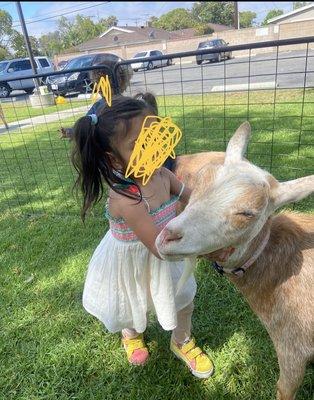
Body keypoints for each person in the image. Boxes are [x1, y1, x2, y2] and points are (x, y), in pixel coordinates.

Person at [71, 92, 214, 378]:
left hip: (165, 252)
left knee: (183, 299)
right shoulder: (126, 199)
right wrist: (205, 244)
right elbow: (160, 247)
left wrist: (209, 210)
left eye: (152, 132)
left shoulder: (161, 173)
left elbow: (190, 196)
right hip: (139, 258)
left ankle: (181, 341)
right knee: (133, 302)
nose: (152, 143)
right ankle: (131, 334)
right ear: (113, 158)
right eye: (138, 142)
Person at [59, 54, 134, 139]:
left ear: (120, 83)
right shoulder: (97, 106)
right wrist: (72, 132)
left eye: (107, 86)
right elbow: (86, 124)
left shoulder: (127, 104)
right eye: (98, 87)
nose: (101, 91)